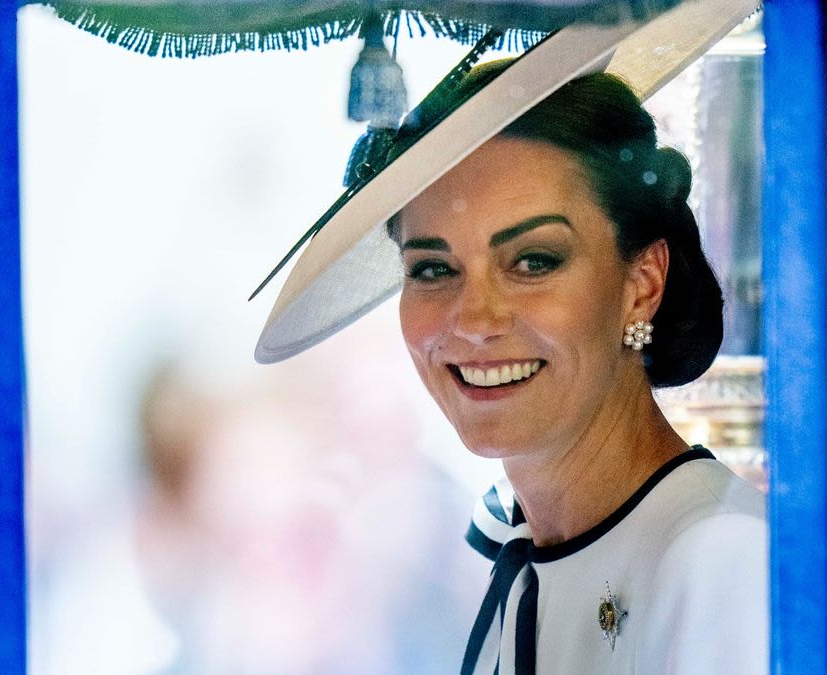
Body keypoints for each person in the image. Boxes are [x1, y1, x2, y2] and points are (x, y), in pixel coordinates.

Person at [253, 9, 766, 673]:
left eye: (534, 260)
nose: (475, 319)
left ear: (641, 283)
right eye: (433, 269)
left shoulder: (717, 561)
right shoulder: (523, 569)